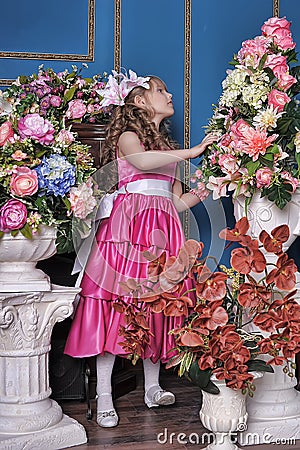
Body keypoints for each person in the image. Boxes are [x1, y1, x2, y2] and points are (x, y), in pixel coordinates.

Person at [64, 69, 217, 428]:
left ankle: (152, 387)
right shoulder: (130, 138)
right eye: (160, 90)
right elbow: (140, 163)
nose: (169, 95)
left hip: (161, 230)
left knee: (156, 304)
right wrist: (193, 151)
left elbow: (176, 203)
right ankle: (104, 393)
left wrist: (208, 188)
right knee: (116, 305)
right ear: (139, 100)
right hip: (128, 228)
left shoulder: (167, 149)